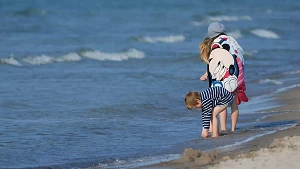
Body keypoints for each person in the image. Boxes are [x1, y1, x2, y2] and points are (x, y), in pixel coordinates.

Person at [198, 22, 248, 132]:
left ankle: (223, 128)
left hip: (225, 77)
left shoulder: (215, 44)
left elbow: (215, 62)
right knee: (234, 103)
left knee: (221, 101)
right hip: (237, 74)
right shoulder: (231, 40)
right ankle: (233, 129)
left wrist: (207, 74)